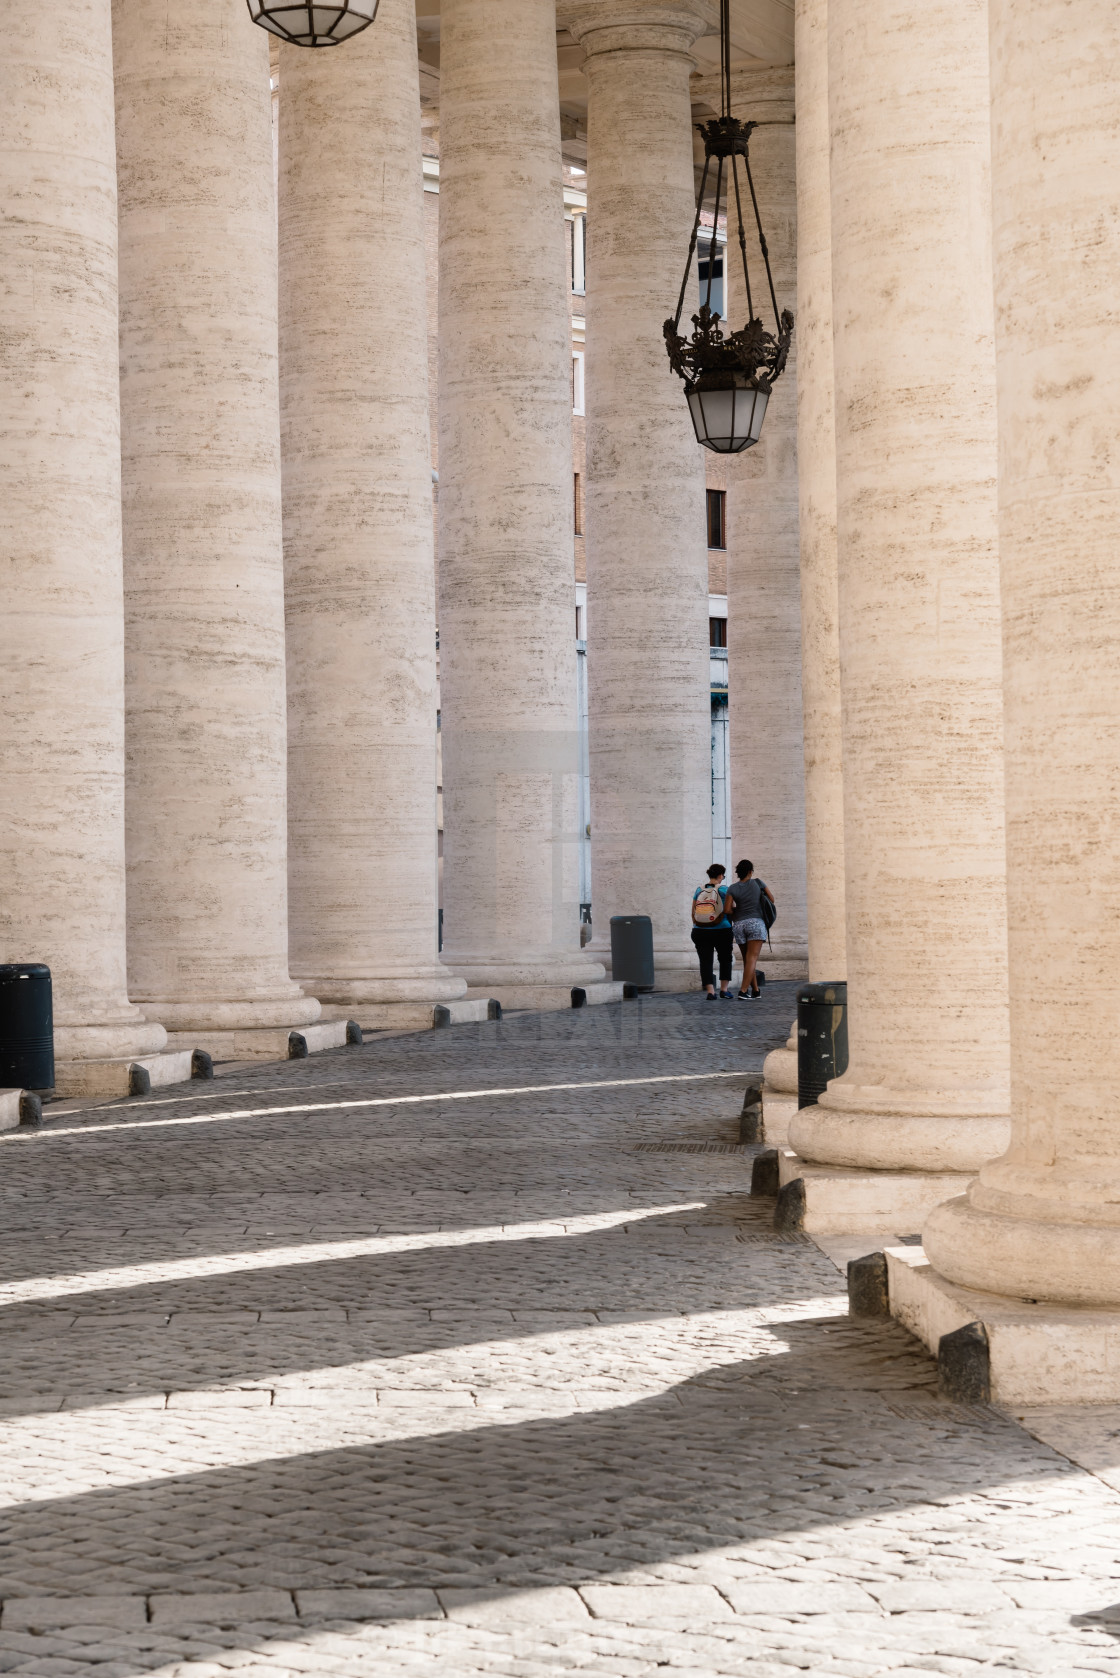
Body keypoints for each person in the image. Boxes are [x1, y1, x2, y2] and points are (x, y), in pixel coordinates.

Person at [726, 858, 775, 999]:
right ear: (750, 871)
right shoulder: (758, 883)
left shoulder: (732, 888)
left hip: (739, 925)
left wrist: (739, 910)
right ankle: (743, 991)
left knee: (748, 960)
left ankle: (755, 990)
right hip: (756, 923)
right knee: (752, 959)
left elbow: (727, 910)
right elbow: (771, 899)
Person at [691, 864, 735, 1000]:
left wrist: (698, 924)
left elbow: (693, 911)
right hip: (722, 929)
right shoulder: (725, 890)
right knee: (725, 959)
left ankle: (710, 992)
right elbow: (730, 909)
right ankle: (724, 990)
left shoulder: (699, 890)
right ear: (721, 875)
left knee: (705, 961)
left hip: (700, 930)